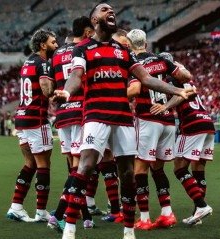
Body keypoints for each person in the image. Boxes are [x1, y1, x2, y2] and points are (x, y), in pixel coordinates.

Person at [53, 3, 193, 239]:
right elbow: (76, 77)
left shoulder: (123, 51)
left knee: (127, 174)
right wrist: (67, 92)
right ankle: (69, 228)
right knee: (85, 166)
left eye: (112, 10)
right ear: (94, 19)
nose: (110, 12)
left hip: (123, 118)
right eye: (104, 9)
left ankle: (129, 231)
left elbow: (146, 78)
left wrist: (176, 90)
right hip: (96, 115)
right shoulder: (83, 49)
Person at [126, 29, 191, 230]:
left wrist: (120, 95)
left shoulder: (136, 65)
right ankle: (167, 213)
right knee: (158, 169)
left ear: (129, 45)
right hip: (168, 121)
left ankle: (144, 217)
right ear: (145, 43)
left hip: (147, 119)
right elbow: (186, 77)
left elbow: (135, 90)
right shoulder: (163, 60)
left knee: (140, 168)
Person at [47, 16, 96, 231]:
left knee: (74, 170)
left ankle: (85, 216)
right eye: (92, 31)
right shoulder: (86, 49)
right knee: (80, 169)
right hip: (81, 112)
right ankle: (59, 215)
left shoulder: (57, 54)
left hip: (63, 115)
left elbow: (50, 87)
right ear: (86, 32)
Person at [150, 65, 214, 226]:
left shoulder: (172, 80)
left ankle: (201, 205)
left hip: (192, 124)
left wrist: (165, 106)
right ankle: (198, 214)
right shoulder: (187, 81)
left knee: (179, 168)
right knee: (198, 170)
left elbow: (181, 96)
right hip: (206, 121)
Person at [6, 29, 58, 222]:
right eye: (53, 42)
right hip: (36, 119)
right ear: (43, 45)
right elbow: (46, 90)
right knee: (44, 164)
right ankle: (41, 211)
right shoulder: (43, 63)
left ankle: (16, 206)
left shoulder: (28, 62)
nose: (56, 45)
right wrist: (60, 88)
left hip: (21, 117)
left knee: (30, 164)